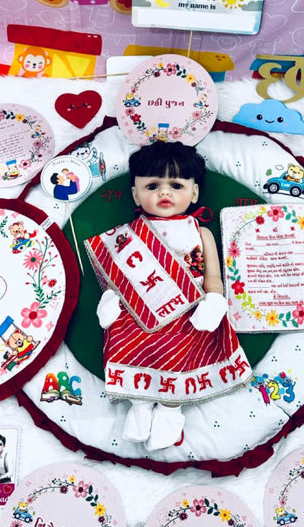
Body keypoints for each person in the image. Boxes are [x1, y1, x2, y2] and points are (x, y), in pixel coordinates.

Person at [85, 142, 251, 451]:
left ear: (195, 193)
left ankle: (170, 412)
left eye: (176, 185)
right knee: (131, 349)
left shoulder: (200, 232)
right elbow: (117, 277)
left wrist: (215, 299)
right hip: (138, 313)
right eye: (152, 186)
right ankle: (140, 405)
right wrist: (109, 299)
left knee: (183, 358)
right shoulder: (126, 236)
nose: (164, 192)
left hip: (189, 314)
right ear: (136, 195)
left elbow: (212, 274)